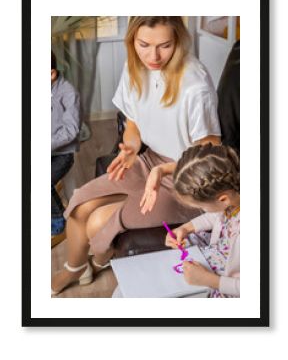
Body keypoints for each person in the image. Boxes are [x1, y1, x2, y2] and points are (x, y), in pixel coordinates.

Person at [51, 16, 221, 295]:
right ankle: (76, 269)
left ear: (178, 41)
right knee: (81, 204)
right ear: (132, 40)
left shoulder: (195, 84)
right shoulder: (135, 68)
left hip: (187, 179)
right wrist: (130, 148)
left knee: (97, 220)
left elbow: (209, 155)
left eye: (164, 46)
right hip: (150, 160)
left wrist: (163, 172)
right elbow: (132, 124)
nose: (153, 56)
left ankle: (98, 260)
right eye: (144, 45)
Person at [165, 143, 240, 298]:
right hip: (219, 253)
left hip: (227, 284)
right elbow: (217, 215)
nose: (202, 210)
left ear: (222, 199)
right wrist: (186, 228)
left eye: (201, 206)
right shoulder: (234, 196)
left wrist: (209, 280)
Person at [51, 51, 81, 237]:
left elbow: (71, 131)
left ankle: (57, 221)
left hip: (62, 154)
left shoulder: (68, 93)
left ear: (51, 74)